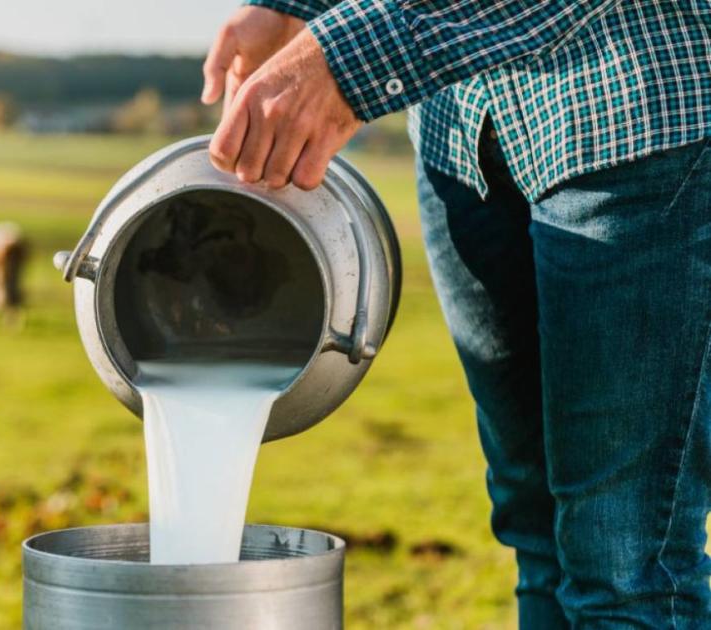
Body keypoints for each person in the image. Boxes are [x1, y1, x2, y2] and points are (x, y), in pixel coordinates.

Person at [202, 2, 711, 627]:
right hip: (461, 129)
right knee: (537, 527)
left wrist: (347, 54)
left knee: (623, 559)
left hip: (633, 112)